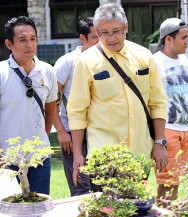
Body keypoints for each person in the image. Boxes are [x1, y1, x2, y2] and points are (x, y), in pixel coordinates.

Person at [67, 3, 167, 187]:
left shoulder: (144, 56)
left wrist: (160, 142)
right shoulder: (86, 62)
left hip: (139, 154)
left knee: (138, 211)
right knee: (108, 212)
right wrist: (78, 154)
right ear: (96, 31)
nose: (111, 38)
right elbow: (77, 112)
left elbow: (158, 103)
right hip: (105, 157)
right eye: (104, 33)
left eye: (116, 31)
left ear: (126, 27)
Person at [0, 16, 58, 195]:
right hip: (8, 159)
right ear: (9, 44)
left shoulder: (48, 71)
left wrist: (40, 142)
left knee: (39, 212)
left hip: (39, 159)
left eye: (33, 39)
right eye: (23, 40)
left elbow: (50, 113)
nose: (29, 45)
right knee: (8, 216)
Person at [53, 17, 100, 196]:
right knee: (80, 188)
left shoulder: (103, 60)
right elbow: (49, 100)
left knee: (101, 188)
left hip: (99, 133)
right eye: (95, 37)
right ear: (83, 38)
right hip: (73, 133)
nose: (100, 42)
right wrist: (61, 131)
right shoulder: (68, 62)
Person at [153, 18, 188, 206]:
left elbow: (186, 94)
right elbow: (150, 101)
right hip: (168, 129)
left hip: (185, 129)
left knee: (177, 181)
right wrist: (158, 139)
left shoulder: (185, 59)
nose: (187, 42)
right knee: (166, 182)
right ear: (168, 39)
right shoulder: (155, 62)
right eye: (183, 38)